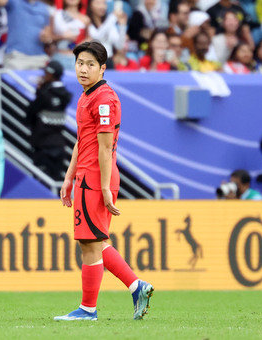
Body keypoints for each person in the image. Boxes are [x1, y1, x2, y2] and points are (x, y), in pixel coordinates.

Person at [55, 40, 153, 322]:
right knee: (98, 241)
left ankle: (88, 310)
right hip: (86, 175)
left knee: (89, 244)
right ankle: (137, 287)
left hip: (96, 177)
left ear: (102, 68)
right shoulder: (87, 95)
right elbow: (81, 141)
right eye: (79, 63)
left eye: (90, 65)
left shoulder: (104, 99)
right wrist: (69, 177)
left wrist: (106, 189)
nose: (83, 69)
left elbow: (105, 147)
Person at [25, 60, 72, 181]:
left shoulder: (45, 94)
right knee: (55, 182)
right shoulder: (65, 95)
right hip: (59, 145)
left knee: (41, 185)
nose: (43, 75)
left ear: (51, 75)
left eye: (45, 73)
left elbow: (29, 115)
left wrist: (40, 90)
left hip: (43, 146)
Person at [51, 0, 89, 70]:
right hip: (59, 56)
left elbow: (88, 38)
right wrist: (63, 37)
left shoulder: (86, 19)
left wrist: (82, 44)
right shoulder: (56, 15)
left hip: (77, 59)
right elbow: (50, 37)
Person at [87, 0, 127, 65]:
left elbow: (119, 45)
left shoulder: (109, 23)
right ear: (90, 5)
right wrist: (113, 17)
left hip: (108, 61)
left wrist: (122, 26)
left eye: (104, 3)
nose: (102, 6)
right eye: (98, 3)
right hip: (93, 62)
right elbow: (97, 37)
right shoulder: (87, 22)